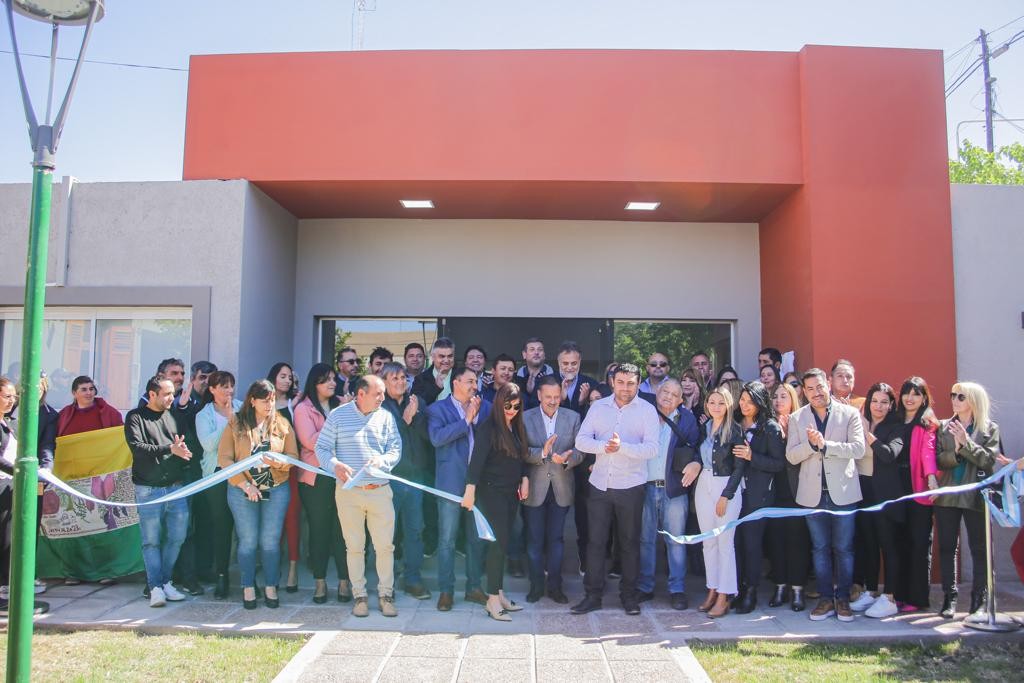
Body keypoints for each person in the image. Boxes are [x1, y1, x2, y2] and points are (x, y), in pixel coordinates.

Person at [570, 363, 660, 616]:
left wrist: (622, 448)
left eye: (631, 383)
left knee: (629, 543)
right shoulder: (598, 407)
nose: (625, 388)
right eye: (620, 382)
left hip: (631, 486)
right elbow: (581, 441)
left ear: (638, 383)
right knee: (595, 542)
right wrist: (604, 447)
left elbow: (652, 449)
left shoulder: (647, 411)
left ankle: (629, 596)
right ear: (612, 382)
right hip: (600, 484)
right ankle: (592, 596)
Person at [315, 375, 402, 618]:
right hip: (349, 493)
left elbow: (396, 449)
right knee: (354, 547)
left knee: (385, 546)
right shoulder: (338, 415)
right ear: (361, 394)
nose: (382, 398)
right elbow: (321, 448)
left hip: (379, 491)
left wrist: (382, 461)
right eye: (378, 393)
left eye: (383, 393)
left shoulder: (386, 417)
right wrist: (334, 465)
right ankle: (359, 596)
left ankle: (386, 595)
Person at [786, 368, 865, 623]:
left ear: (828, 384)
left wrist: (826, 446)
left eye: (819, 387)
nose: (816, 393)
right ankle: (825, 599)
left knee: (844, 548)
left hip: (843, 492)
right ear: (804, 392)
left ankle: (843, 599)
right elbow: (791, 455)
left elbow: (858, 449)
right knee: (819, 549)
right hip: (812, 494)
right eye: (810, 389)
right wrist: (811, 445)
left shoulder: (849, 413)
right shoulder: (798, 417)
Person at [218, 379, 297, 610]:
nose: (269, 405)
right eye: (264, 401)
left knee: (270, 541)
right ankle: (248, 586)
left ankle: (271, 585)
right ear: (252, 401)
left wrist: (278, 462)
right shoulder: (236, 423)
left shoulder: (282, 424)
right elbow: (224, 458)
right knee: (248, 541)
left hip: (277, 488)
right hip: (242, 489)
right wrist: (244, 485)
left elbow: (293, 456)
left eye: (272, 400)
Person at [865, 378, 939, 618]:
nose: (910, 398)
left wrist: (931, 477)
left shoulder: (926, 422)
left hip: (918, 487)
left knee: (918, 543)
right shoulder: (896, 420)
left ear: (924, 398)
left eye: (916, 394)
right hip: (898, 489)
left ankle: (917, 598)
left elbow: (928, 451)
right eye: (907, 393)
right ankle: (900, 594)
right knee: (901, 542)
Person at [462, 383, 530, 621]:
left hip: (511, 494)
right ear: (499, 403)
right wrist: (469, 491)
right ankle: (491, 600)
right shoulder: (488, 427)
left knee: (503, 543)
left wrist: (525, 478)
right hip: (491, 494)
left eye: (516, 406)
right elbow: (476, 462)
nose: (511, 410)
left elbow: (521, 457)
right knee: (497, 546)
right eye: (507, 405)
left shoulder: (517, 427)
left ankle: (499, 593)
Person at [426, 366, 491, 611]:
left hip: (479, 483)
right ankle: (446, 591)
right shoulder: (437, 409)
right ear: (455, 382)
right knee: (447, 540)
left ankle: (474, 587)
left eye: (476, 382)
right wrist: (466, 421)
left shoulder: (485, 407)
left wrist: (476, 416)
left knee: (476, 539)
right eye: (470, 381)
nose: (474, 386)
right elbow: (437, 438)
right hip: (450, 483)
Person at [125, 376, 193, 608]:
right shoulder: (135, 417)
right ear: (152, 394)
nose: (171, 398)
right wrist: (170, 449)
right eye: (166, 394)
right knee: (151, 541)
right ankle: (155, 587)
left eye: (172, 393)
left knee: (177, 537)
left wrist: (183, 451)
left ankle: (165, 582)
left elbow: (183, 445)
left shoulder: (175, 416)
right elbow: (137, 448)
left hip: (176, 487)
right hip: (148, 489)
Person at [934, 381, 999, 619]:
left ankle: (979, 600)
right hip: (948, 495)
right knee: (947, 547)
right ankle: (949, 598)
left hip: (975, 496)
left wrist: (966, 443)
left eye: (960, 396)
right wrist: (956, 451)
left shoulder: (989, 429)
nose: (954, 400)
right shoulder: (944, 426)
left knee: (979, 548)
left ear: (973, 400)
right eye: (953, 395)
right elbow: (939, 460)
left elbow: (988, 461)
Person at [637, 378, 700, 610]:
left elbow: (697, 447)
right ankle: (645, 587)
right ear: (657, 391)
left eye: (674, 395)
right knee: (645, 539)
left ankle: (677, 589)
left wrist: (696, 463)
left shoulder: (687, 419)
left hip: (674, 489)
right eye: (665, 391)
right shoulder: (644, 412)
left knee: (675, 541)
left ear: (681, 400)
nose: (668, 397)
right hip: (645, 486)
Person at [293, 364, 351, 604]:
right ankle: (320, 581)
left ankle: (345, 581)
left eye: (333, 379)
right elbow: (309, 441)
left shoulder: (342, 404)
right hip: (316, 477)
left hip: (342, 475)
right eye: (326, 380)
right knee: (319, 530)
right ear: (314, 383)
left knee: (343, 530)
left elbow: (352, 436)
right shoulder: (303, 408)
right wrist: (337, 424)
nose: (332, 383)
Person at [522, 376, 583, 604]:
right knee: (534, 541)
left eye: (557, 397)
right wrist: (542, 453)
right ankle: (536, 586)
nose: (552, 401)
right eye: (548, 396)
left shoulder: (573, 417)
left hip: (561, 486)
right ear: (539, 395)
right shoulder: (525, 417)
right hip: (534, 487)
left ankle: (555, 587)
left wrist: (567, 459)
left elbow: (581, 450)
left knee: (556, 540)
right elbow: (520, 451)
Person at [380, 361, 433, 601]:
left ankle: (413, 579)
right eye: (395, 378)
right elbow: (384, 440)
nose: (401, 382)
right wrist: (406, 420)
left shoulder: (416, 402)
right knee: (387, 533)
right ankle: (386, 582)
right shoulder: (379, 406)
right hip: (389, 478)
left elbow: (427, 435)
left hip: (415, 478)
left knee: (415, 530)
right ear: (384, 383)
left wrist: (414, 417)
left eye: (403, 377)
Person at [732, 381, 786, 614]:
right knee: (736, 542)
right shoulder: (734, 423)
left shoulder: (770, 427)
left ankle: (751, 591)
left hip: (758, 495)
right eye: (742, 400)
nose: (745, 405)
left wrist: (752, 456)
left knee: (752, 544)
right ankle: (737, 588)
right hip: (735, 491)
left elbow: (778, 463)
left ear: (760, 402)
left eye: (750, 401)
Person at [693, 387, 746, 618]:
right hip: (704, 483)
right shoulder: (704, 427)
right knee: (708, 542)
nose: (716, 407)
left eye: (721, 403)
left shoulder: (734, 430)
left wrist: (726, 495)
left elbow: (739, 466)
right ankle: (712, 589)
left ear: (728, 405)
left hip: (725, 485)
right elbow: (698, 453)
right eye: (712, 402)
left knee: (725, 544)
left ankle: (725, 595)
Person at [848, 382, 896, 614]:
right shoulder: (859, 421)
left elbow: (889, 455)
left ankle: (890, 596)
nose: (878, 406)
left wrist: (868, 436)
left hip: (885, 492)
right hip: (862, 488)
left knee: (887, 543)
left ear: (891, 405)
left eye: (884, 402)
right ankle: (871, 590)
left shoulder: (895, 426)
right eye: (874, 401)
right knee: (868, 542)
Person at [195, 371, 242, 600]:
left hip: (242, 472)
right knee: (222, 526)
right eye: (223, 386)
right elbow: (208, 444)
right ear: (212, 389)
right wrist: (230, 421)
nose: (229, 390)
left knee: (244, 525)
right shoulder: (204, 415)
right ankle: (222, 575)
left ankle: (248, 577)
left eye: (231, 385)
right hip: (216, 473)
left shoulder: (243, 407)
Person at [765, 381, 810, 611]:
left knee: (797, 541)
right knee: (776, 541)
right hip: (773, 491)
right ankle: (780, 586)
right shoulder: (767, 424)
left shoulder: (802, 422)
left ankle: (798, 589)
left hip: (797, 491)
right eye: (775, 396)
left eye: (784, 396)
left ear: (793, 399)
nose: (778, 400)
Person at [267, 361, 301, 592]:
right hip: (267, 470)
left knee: (292, 516)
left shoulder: (295, 403)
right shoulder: (263, 403)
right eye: (282, 376)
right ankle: (272, 566)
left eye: (290, 377)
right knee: (272, 518)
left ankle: (293, 567)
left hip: (290, 468)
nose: (287, 380)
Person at [57, 375, 123, 437]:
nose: (89, 393)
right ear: (74, 393)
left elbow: (121, 436)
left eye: (91, 389)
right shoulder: (64, 414)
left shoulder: (110, 413)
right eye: (84, 390)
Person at [555, 341, 598, 415]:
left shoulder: (592, 384)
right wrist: (560, 400)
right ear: (558, 362)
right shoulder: (546, 383)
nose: (569, 367)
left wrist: (582, 402)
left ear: (579, 362)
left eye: (574, 363)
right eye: (565, 363)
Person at [413, 337, 456, 406]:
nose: (446, 360)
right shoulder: (421, 379)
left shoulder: (462, 375)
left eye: (450, 356)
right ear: (433, 357)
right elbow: (417, 406)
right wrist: (436, 388)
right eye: (442, 356)